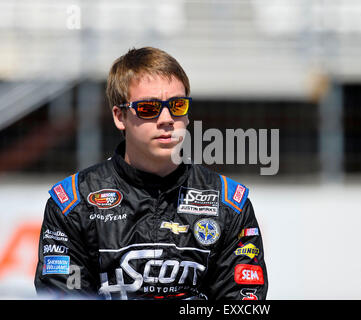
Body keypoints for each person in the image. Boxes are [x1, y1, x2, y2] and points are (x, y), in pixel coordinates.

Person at [34, 47, 268, 300]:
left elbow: (243, 301)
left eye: (177, 106)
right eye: (149, 108)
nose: (167, 118)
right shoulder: (73, 203)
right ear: (120, 116)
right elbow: (62, 294)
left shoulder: (229, 204)